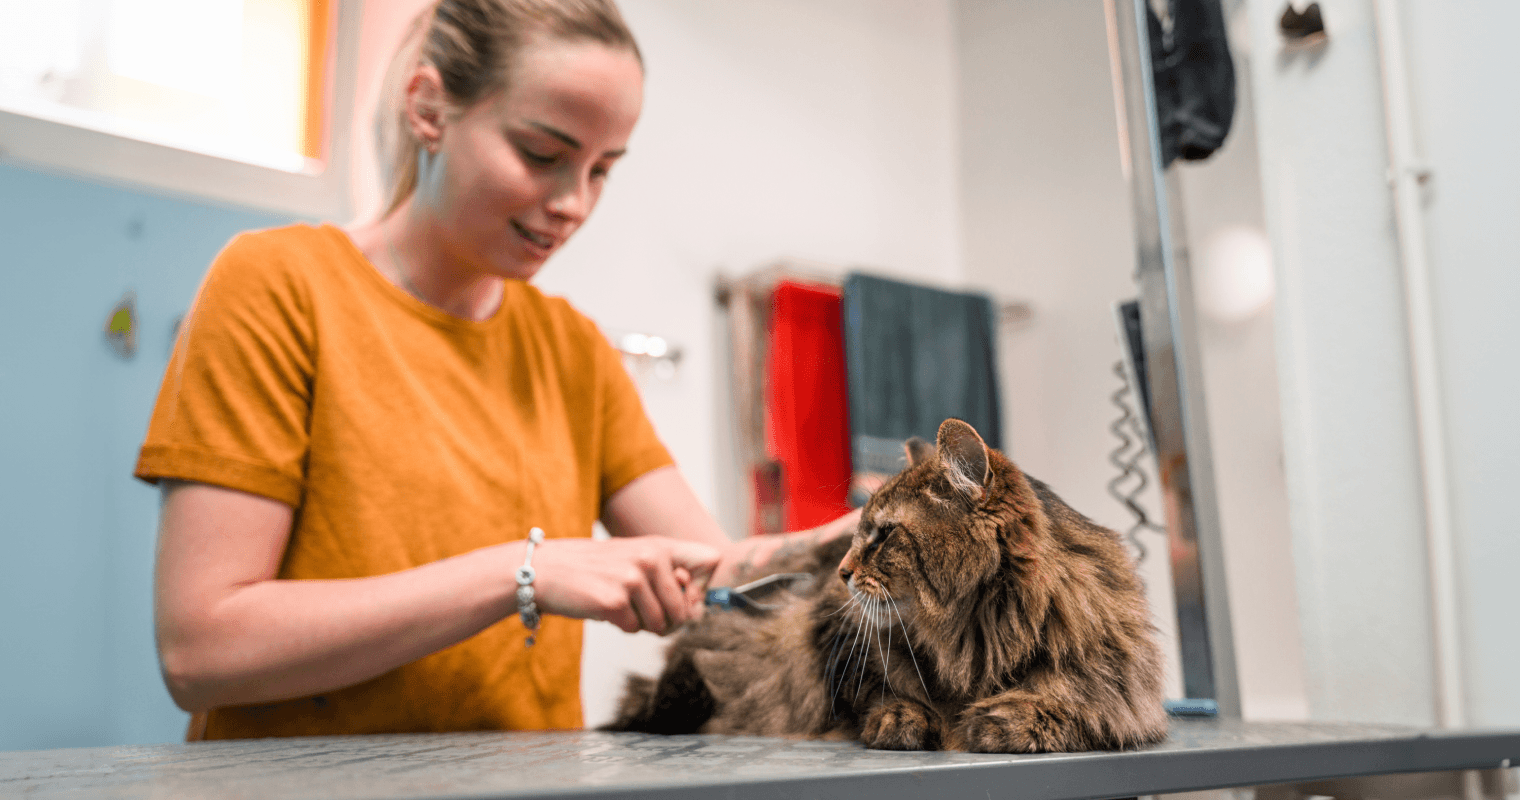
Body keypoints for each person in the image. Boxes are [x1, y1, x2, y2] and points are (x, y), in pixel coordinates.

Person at [135, 0, 858, 741]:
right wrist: (523, 573)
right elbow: (202, 649)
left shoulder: (571, 349)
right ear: (428, 109)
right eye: (543, 154)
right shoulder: (278, 286)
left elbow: (715, 574)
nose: (574, 202)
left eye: (602, 170)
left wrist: (865, 536)